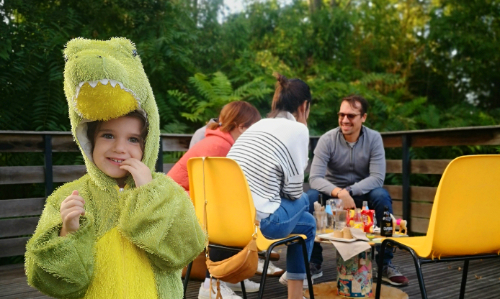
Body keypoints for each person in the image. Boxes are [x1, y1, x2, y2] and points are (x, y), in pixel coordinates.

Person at [25, 37, 205, 299]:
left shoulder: (167, 191)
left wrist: (149, 195)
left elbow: (183, 252)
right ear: (89, 141)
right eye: (108, 135)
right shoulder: (67, 199)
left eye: (133, 139)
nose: (120, 148)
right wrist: (68, 232)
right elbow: (50, 281)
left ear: (148, 144)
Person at [227, 73, 316, 299]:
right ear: (304, 105)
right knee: (306, 199)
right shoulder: (298, 130)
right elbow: (294, 193)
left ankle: (294, 294)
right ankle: (296, 287)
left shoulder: (257, 126)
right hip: (264, 224)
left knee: (308, 225)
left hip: (232, 220)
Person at [307, 94, 409, 286]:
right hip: (332, 193)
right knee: (310, 197)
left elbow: (377, 177)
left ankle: (384, 264)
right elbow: (314, 178)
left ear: (363, 117)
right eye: (341, 115)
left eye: (351, 116)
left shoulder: (374, 138)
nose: (345, 120)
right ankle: (314, 262)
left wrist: (351, 191)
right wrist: (340, 193)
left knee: (381, 195)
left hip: (363, 193)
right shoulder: (327, 139)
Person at [167, 100, 262, 299]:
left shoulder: (219, 141)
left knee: (234, 213)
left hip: (186, 201)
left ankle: (228, 277)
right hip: (179, 205)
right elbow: (221, 195)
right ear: (241, 127)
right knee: (232, 218)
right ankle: (213, 285)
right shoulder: (221, 146)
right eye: (254, 130)